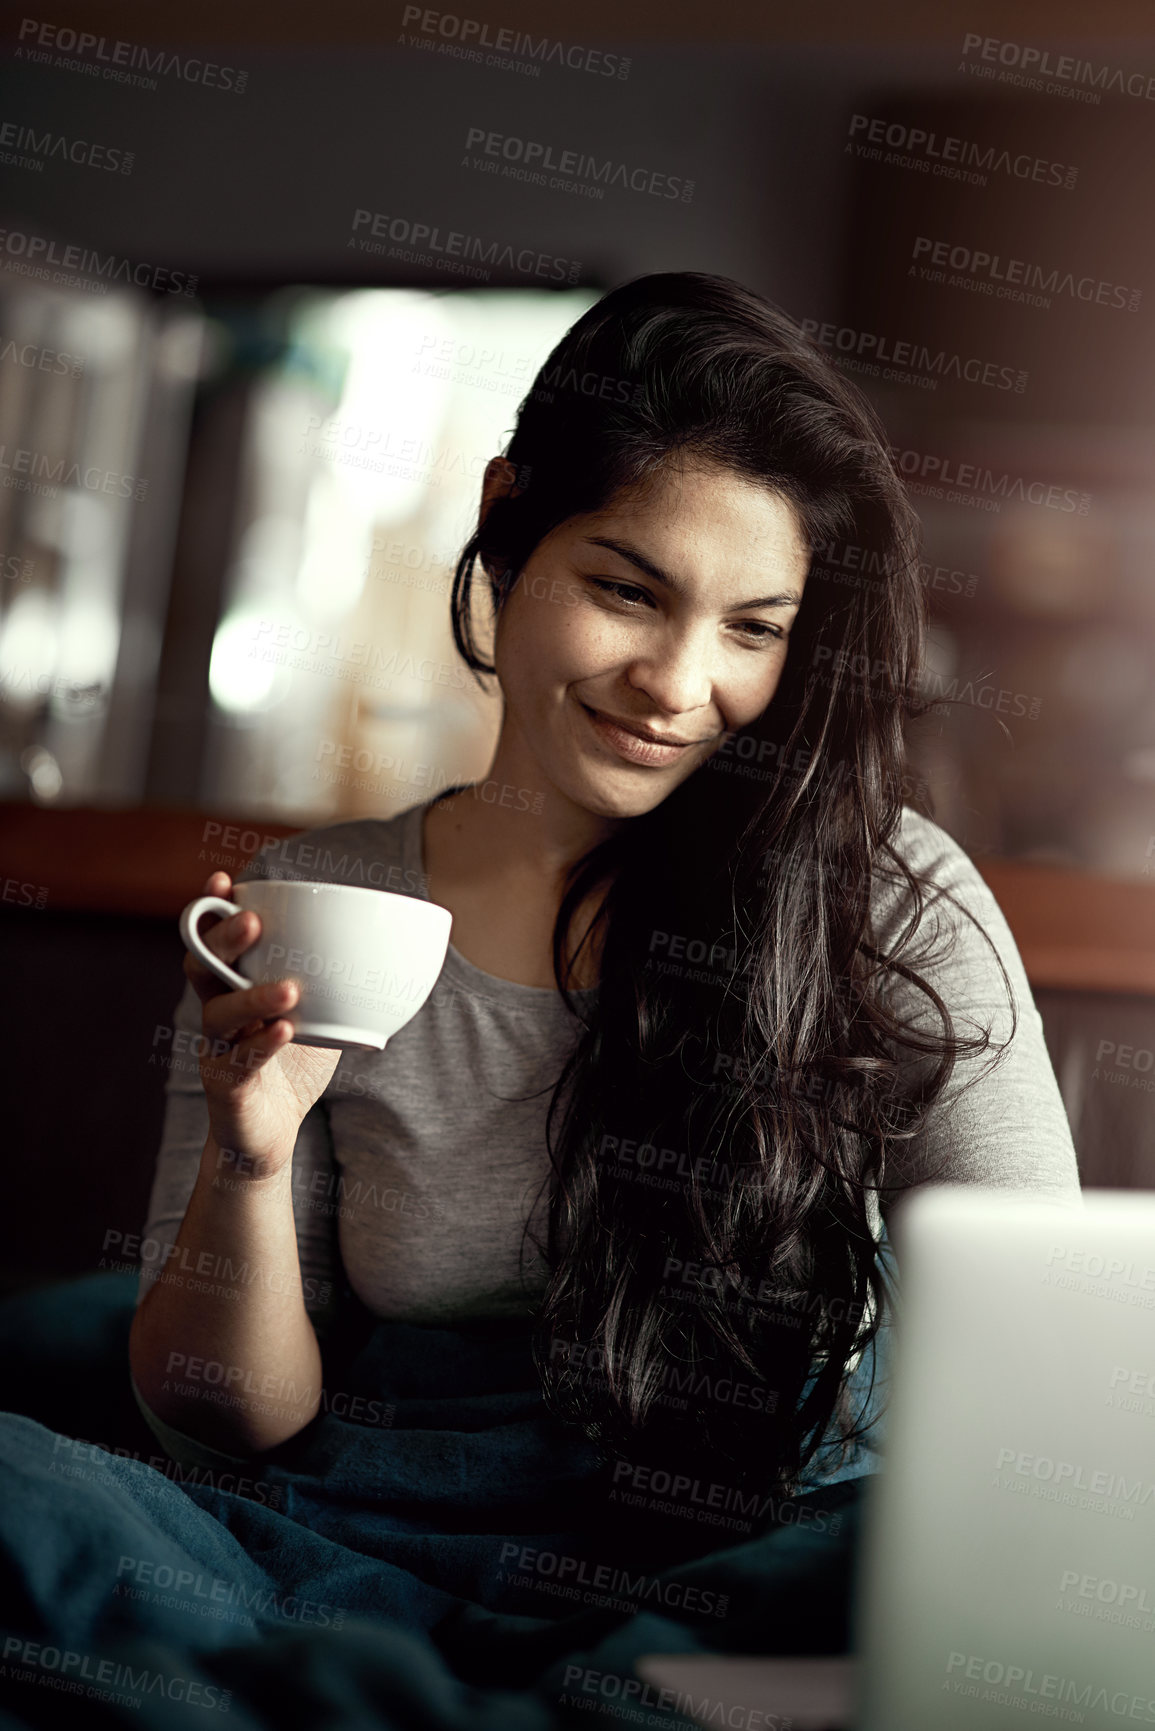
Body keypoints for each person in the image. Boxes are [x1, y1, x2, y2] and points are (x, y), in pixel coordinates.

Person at [128, 271, 1081, 1512]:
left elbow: (1043, 1336)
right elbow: (224, 1429)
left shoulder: (886, 898)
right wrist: (249, 1168)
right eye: (628, 592)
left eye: (752, 630)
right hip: (378, 1526)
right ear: (510, 519)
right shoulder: (311, 902)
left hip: (744, 1550)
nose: (679, 686)